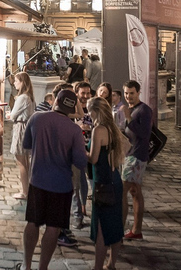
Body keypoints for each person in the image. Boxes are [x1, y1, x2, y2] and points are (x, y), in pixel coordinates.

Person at [18, 90, 88, 270]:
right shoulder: (74, 130)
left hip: (37, 180)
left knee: (32, 222)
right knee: (53, 227)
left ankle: (27, 266)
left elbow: (26, 145)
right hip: (61, 184)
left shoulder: (37, 118)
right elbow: (80, 161)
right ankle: (43, 267)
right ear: (72, 107)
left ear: (55, 100)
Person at [86, 97, 124, 270]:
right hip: (115, 180)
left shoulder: (99, 129)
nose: (88, 113)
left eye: (89, 110)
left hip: (102, 182)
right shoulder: (113, 128)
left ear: (96, 111)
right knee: (115, 225)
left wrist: (81, 147)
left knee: (101, 227)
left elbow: (94, 158)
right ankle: (112, 263)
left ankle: (97, 267)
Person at [120, 80, 153, 240]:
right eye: (126, 93)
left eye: (131, 93)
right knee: (135, 192)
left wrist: (128, 118)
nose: (128, 96)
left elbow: (144, 133)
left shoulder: (144, 110)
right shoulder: (131, 109)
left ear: (138, 92)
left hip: (136, 156)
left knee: (123, 191)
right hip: (129, 154)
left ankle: (119, 229)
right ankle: (136, 230)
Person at [9, 72, 35, 200]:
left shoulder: (22, 98)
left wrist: (9, 114)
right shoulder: (29, 97)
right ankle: (28, 188)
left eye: (16, 81)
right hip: (26, 127)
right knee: (25, 161)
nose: (14, 83)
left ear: (22, 82)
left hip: (20, 128)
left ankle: (25, 191)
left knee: (21, 162)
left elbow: (13, 115)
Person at [72, 81, 93, 229]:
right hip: (77, 149)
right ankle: (78, 214)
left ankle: (85, 205)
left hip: (92, 148)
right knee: (77, 183)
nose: (85, 96)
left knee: (90, 180)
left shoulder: (93, 108)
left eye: (88, 93)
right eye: (82, 93)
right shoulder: (73, 109)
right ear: (77, 93)